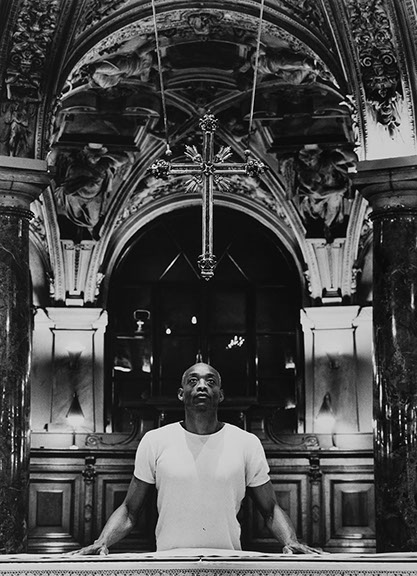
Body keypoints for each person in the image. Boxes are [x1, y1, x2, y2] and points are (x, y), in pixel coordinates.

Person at [74, 362, 319, 555]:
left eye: (210, 381)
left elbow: (270, 509)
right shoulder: (155, 440)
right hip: (170, 561)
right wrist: (102, 541)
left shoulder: (247, 443)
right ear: (181, 394)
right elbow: (129, 511)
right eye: (193, 381)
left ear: (220, 395)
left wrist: (290, 541)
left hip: (227, 561)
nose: (202, 386)